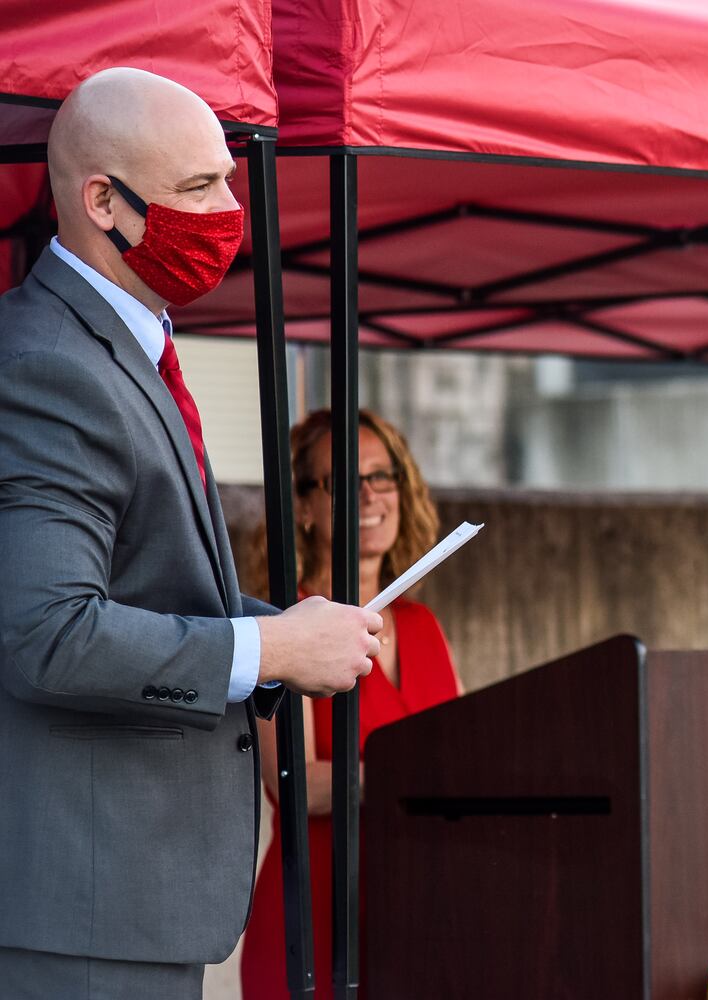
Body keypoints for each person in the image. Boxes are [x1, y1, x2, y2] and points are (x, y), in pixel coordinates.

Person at [0, 69, 382, 999]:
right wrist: (270, 646)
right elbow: (47, 634)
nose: (228, 213)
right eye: (198, 189)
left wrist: (283, 633)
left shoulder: (120, 344)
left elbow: (144, 586)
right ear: (104, 203)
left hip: (120, 902)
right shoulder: (51, 364)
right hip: (86, 909)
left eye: (227, 182)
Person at [241, 408, 464, 999]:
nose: (368, 494)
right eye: (342, 481)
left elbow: (466, 756)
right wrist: (406, 782)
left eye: (381, 476)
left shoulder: (424, 626)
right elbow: (290, 782)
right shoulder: (285, 623)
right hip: (314, 910)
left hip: (419, 916)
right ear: (305, 507)